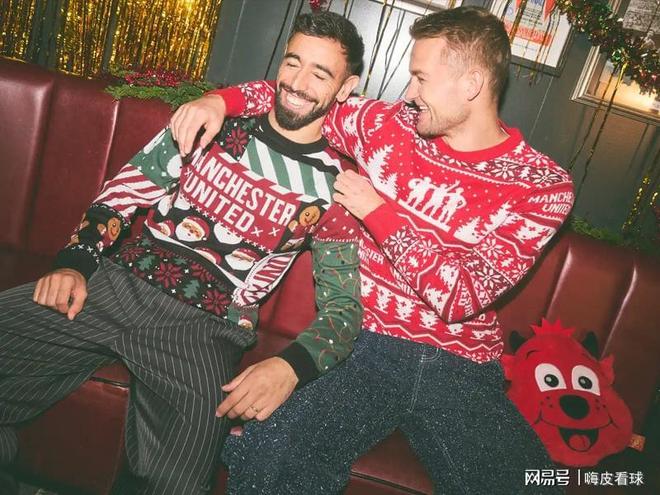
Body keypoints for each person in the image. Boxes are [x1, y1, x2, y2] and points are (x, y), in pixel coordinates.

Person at [172, 6, 574, 494]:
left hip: (461, 366)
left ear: (471, 84)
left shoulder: (541, 186)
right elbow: (300, 94)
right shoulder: (387, 125)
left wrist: (377, 211)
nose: (409, 92)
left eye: (421, 78)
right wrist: (219, 101)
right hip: (366, 346)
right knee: (269, 452)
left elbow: (460, 296)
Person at [0, 11, 364, 495]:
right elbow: (123, 194)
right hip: (119, 283)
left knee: (178, 482)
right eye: (293, 62)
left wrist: (290, 366)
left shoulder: (336, 188)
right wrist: (75, 262)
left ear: (346, 87)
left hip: (206, 328)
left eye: (320, 73)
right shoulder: (210, 121)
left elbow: (344, 310)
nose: (297, 83)